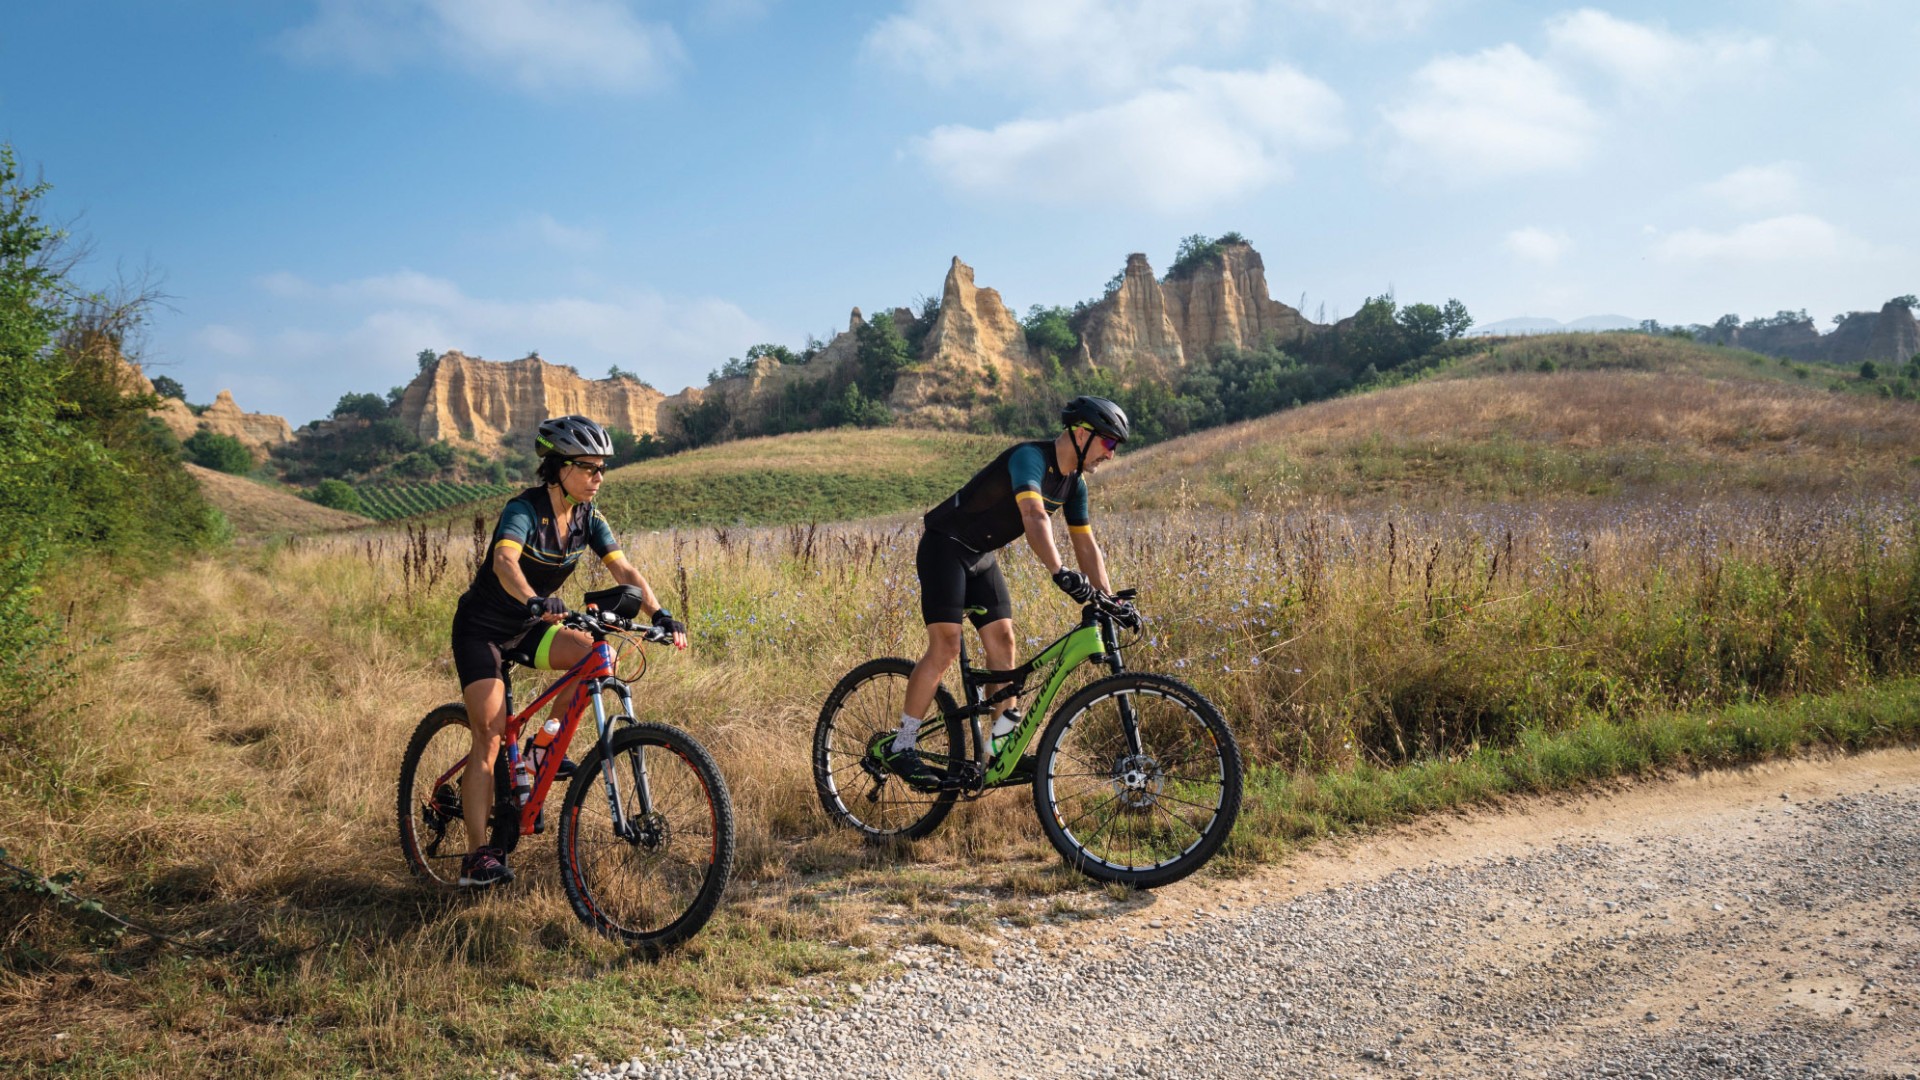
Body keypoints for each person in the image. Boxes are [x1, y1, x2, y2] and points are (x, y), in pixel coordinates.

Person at [448, 414, 686, 887]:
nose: (598, 478)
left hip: (533, 625)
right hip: (484, 630)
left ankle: (542, 746)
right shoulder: (524, 510)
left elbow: (626, 572)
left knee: (598, 657)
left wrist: (660, 615)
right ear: (558, 468)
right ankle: (478, 856)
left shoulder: (589, 519)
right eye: (588, 467)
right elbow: (503, 561)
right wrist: (534, 598)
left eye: (602, 469)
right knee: (490, 735)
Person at [886, 396, 1130, 788]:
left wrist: (1110, 598)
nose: (1112, 455)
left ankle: (998, 752)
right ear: (1083, 434)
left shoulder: (1074, 485)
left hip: (980, 555)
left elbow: (1086, 544)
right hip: (945, 546)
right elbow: (1033, 515)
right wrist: (1058, 571)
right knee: (947, 645)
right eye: (1110, 444)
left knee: (1005, 643)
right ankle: (903, 745)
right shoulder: (1029, 458)